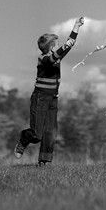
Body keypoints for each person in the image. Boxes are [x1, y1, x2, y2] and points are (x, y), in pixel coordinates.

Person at [14, 16, 85, 166]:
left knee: (51, 132)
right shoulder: (44, 59)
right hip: (40, 98)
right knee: (37, 134)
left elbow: (68, 46)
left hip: (53, 98)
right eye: (57, 45)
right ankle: (24, 138)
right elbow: (55, 56)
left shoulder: (56, 57)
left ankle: (44, 161)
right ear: (51, 47)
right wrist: (65, 46)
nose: (59, 47)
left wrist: (76, 27)